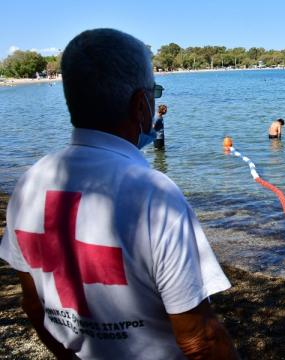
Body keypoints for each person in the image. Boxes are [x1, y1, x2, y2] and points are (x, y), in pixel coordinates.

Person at [0, 29, 237, 359]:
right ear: (141, 104)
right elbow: (200, 340)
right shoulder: (154, 195)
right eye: (154, 92)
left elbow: (33, 304)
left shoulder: (29, 184)